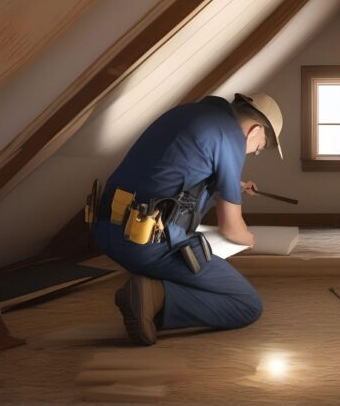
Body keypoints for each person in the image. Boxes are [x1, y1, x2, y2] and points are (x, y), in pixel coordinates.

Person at [92, 93, 283, 345]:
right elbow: (231, 229)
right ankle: (155, 296)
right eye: (259, 148)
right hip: (147, 246)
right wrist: (248, 239)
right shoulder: (231, 138)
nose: (254, 153)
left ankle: (151, 287)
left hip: (106, 231)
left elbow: (175, 170)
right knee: (246, 304)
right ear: (255, 131)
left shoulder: (187, 113)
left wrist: (235, 185)